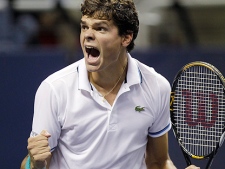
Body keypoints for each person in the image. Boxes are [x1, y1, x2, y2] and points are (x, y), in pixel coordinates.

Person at [21, 0, 200, 169]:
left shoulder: (156, 86)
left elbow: (158, 162)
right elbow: (32, 165)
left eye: (100, 28)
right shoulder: (54, 89)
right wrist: (33, 163)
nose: (88, 35)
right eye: (84, 27)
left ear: (126, 38)